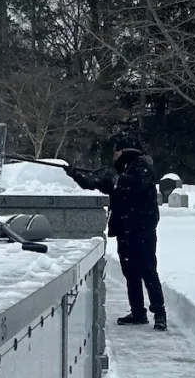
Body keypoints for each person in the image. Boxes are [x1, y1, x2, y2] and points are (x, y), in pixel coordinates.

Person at [65, 141, 167, 331]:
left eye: (117, 152)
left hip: (142, 230)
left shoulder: (142, 168)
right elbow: (96, 185)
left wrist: (117, 178)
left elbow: (138, 185)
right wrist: (75, 175)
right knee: (131, 273)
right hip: (125, 230)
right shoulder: (122, 174)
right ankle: (138, 312)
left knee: (148, 272)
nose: (114, 156)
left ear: (126, 152)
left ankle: (159, 313)